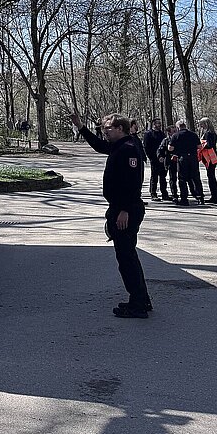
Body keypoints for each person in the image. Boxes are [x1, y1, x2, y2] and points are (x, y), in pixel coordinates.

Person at [71, 109, 152, 318]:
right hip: (121, 207)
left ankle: (138, 305)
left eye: (107, 128)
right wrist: (81, 127)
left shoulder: (128, 149)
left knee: (126, 258)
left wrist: (124, 209)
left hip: (126, 209)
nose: (104, 132)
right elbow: (99, 145)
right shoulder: (120, 146)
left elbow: (132, 183)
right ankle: (142, 299)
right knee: (129, 256)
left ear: (120, 129)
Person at [169, 120, 204, 206]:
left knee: (182, 179)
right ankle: (200, 197)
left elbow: (170, 148)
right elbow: (199, 146)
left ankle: (184, 199)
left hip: (182, 158)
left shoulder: (176, 135)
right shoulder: (193, 135)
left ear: (178, 127)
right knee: (196, 177)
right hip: (193, 158)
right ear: (185, 126)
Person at [143, 118, 169, 201]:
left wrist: (163, 156)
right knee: (154, 176)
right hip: (154, 158)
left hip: (162, 158)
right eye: (158, 123)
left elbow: (164, 146)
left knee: (163, 176)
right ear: (154, 124)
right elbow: (146, 147)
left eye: (160, 123)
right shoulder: (148, 134)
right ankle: (153, 193)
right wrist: (151, 157)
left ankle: (164, 193)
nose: (160, 125)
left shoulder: (162, 134)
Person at [197, 117, 217, 203]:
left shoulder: (208, 134)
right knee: (211, 176)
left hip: (210, 157)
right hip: (212, 156)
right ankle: (215, 196)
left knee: (211, 177)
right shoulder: (212, 133)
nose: (201, 126)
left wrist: (201, 144)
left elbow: (209, 145)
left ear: (205, 124)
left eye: (202, 124)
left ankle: (215, 197)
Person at [157, 124, 179, 203]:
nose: (175, 133)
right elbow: (160, 149)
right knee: (163, 177)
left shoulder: (178, 139)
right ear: (169, 133)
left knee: (173, 178)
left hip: (176, 161)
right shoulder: (166, 140)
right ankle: (164, 193)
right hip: (168, 161)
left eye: (176, 131)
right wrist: (160, 156)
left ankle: (175, 194)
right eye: (174, 131)